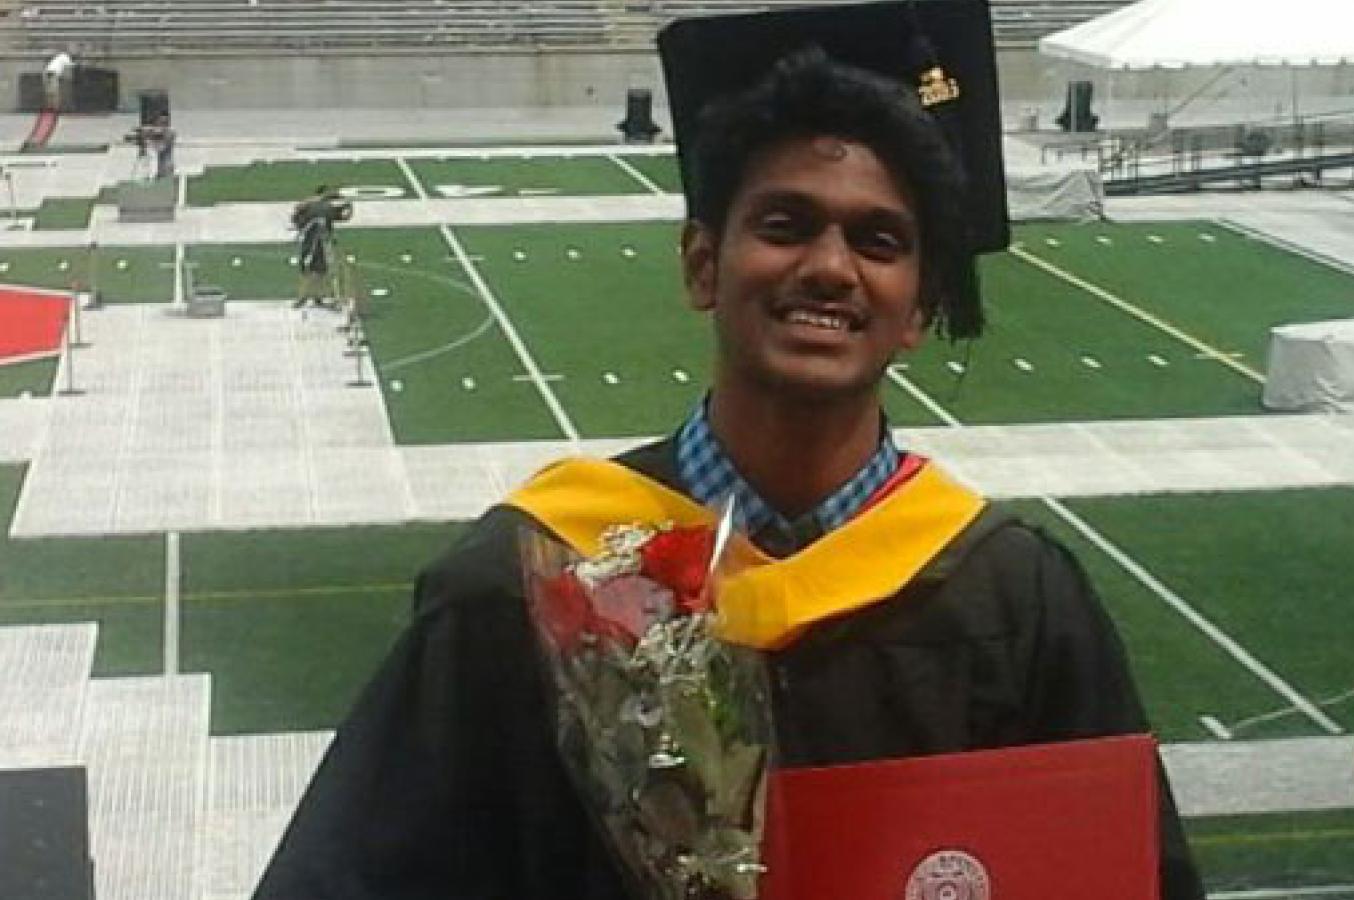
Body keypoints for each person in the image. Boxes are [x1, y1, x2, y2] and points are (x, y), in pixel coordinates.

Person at [252, 2, 1204, 898]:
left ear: (919, 308)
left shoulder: (1017, 604)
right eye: (786, 224)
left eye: (878, 240)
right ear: (703, 264)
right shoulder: (528, 577)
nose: (830, 266)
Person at [291, 185, 347, 310]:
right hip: (319, 243)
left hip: (310, 242)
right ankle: (311, 296)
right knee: (318, 271)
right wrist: (346, 205)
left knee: (309, 271)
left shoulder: (308, 206)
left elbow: (295, 219)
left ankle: (306, 296)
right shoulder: (324, 207)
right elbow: (344, 216)